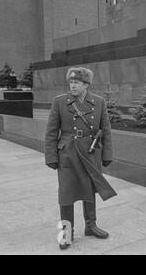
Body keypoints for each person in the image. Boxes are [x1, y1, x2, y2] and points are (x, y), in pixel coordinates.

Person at [44, 67, 117, 250]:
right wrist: (51, 156)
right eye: (71, 82)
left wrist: (107, 154)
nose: (73, 85)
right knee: (66, 194)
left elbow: (105, 129)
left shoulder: (99, 102)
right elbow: (51, 131)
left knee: (90, 189)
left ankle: (91, 226)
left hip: (91, 152)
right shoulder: (60, 102)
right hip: (68, 153)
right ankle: (66, 233)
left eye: (76, 82)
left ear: (86, 85)